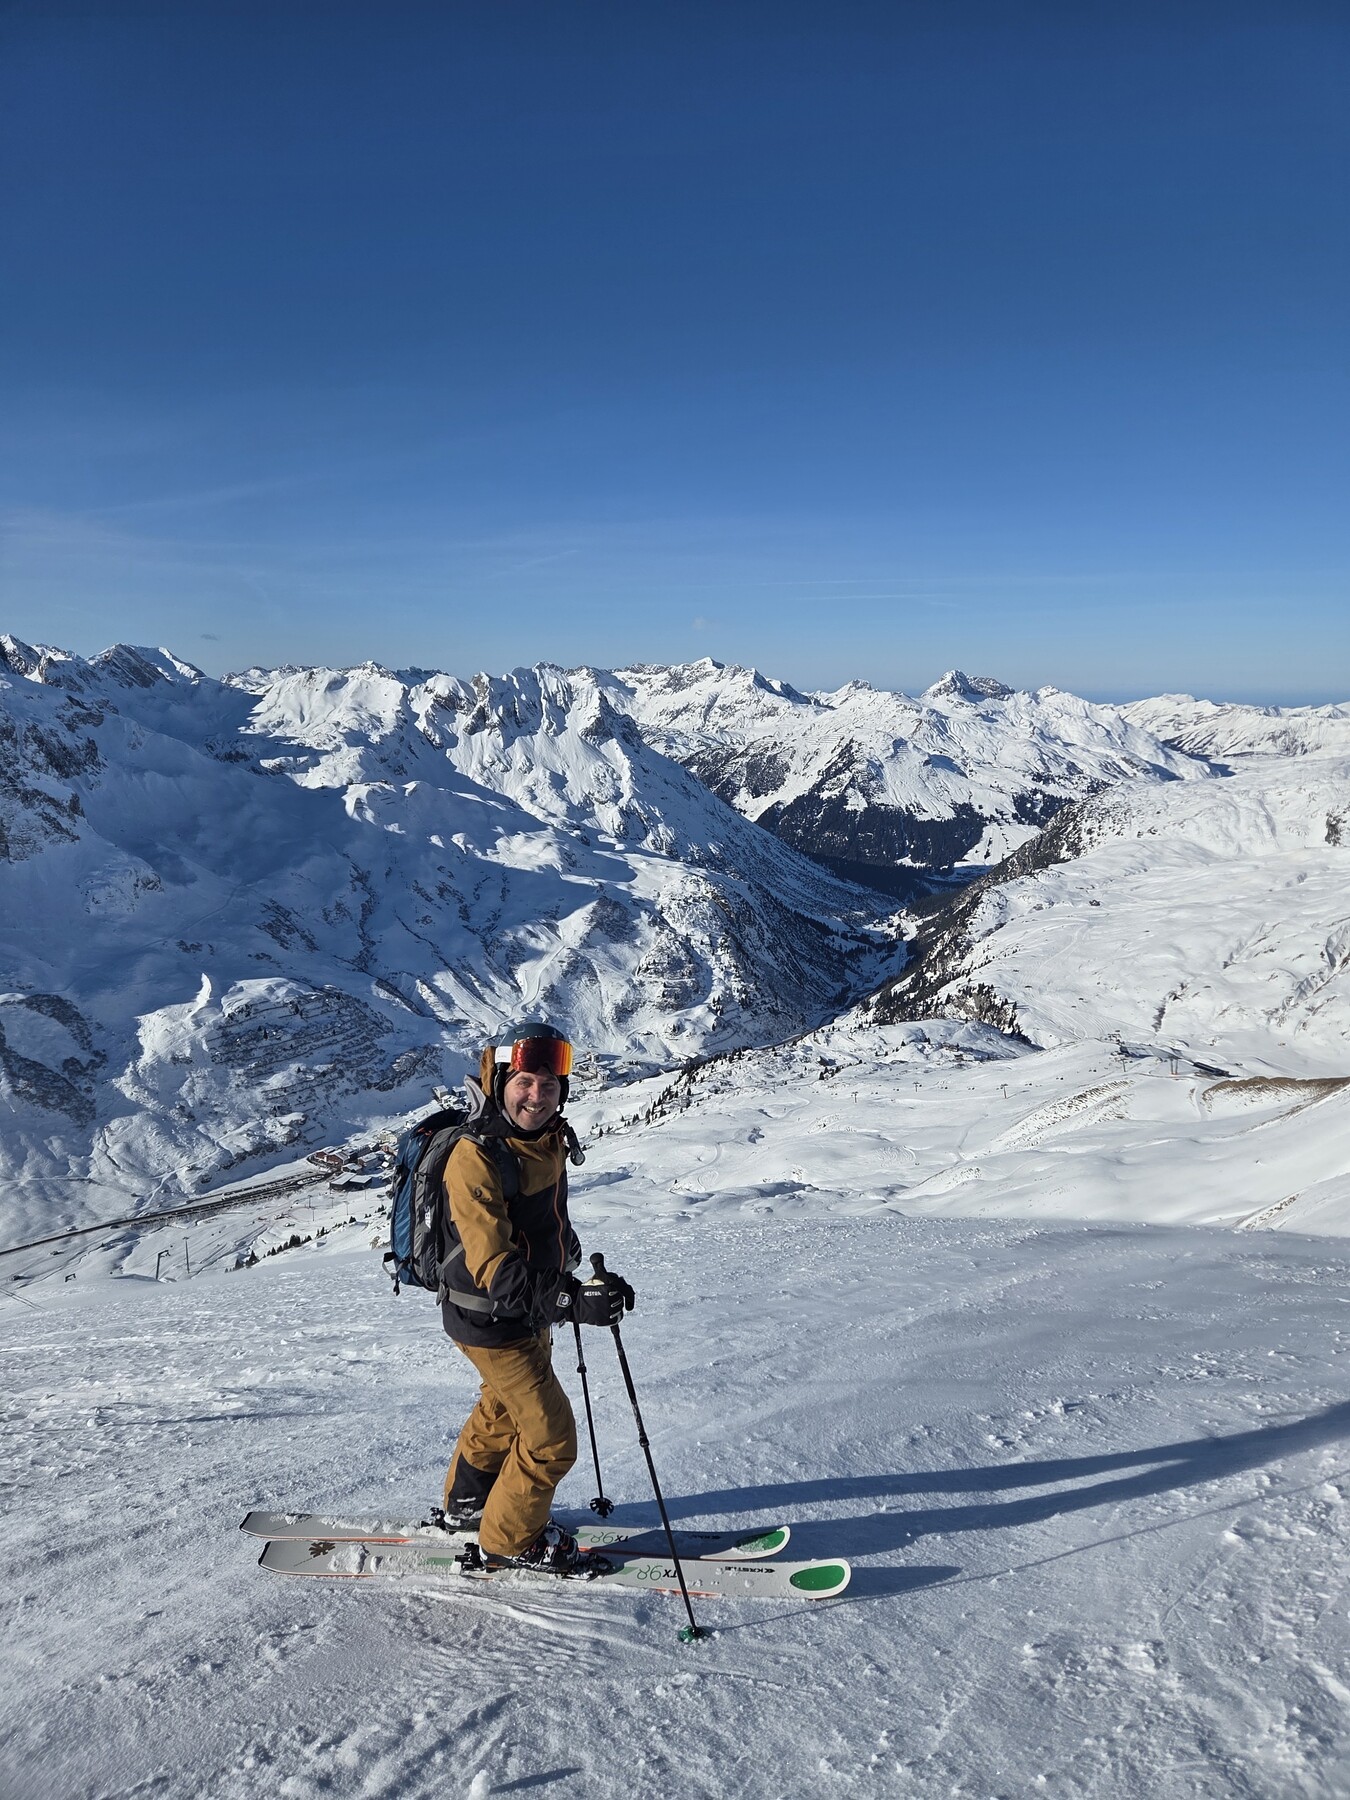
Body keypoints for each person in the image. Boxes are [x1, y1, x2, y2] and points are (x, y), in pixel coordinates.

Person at [438, 1024, 634, 1572]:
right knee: (550, 1439)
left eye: (549, 1085)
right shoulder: (476, 1156)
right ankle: (511, 1542)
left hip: (525, 1310)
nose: (536, 1096)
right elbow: (496, 1268)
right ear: (500, 1082)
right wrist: (571, 1301)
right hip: (491, 1318)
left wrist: (580, 1281)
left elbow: (543, 1227)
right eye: (524, 1082)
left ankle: (467, 1506)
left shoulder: (545, 1139)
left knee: (502, 1407)